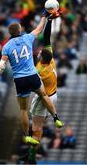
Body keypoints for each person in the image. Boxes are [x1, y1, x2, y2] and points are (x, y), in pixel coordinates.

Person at [0, 10, 63, 147]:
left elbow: (1, 67)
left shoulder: (6, 47)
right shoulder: (27, 38)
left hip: (20, 80)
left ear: (10, 33)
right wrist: (45, 16)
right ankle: (56, 118)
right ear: (20, 29)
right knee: (44, 94)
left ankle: (27, 135)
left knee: (23, 109)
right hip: (32, 75)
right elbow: (39, 29)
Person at [27, 16, 63, 163]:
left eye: (40, 52)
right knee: (37, 125)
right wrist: (49, 20)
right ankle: (31, 153)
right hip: (53, 94)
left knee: (36, 126)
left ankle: (31, 157)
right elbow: (47, 38)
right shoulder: (51, 60)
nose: (39, 52)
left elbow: (32, 85)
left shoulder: (39, 71)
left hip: (45, 98)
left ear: (41, 58)